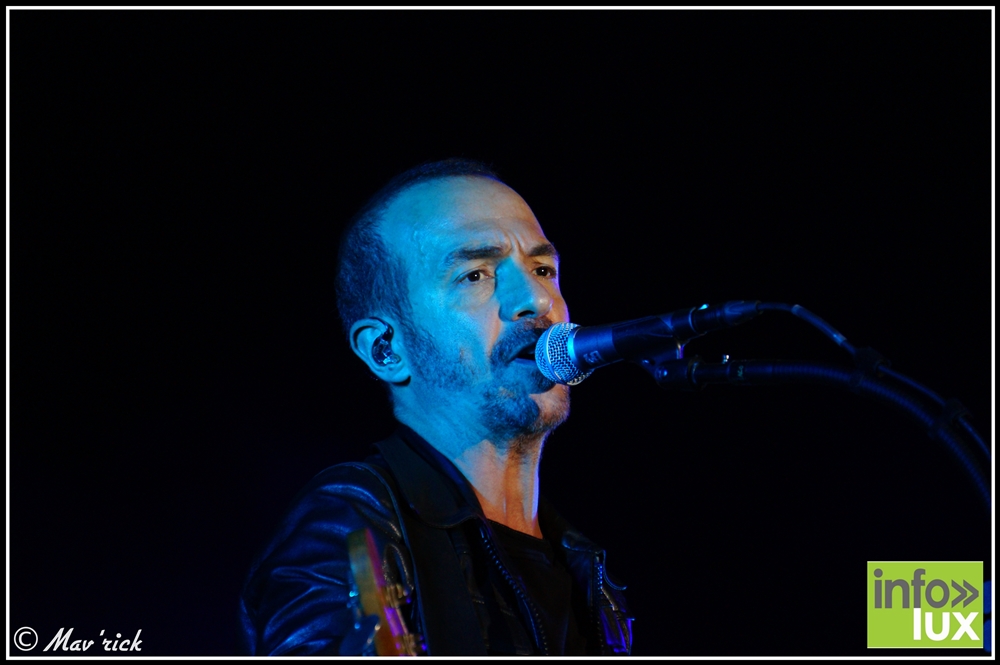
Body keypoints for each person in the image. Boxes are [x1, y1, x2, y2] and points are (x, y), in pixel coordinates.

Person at [238, 159, 633, 656]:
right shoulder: (350, 525)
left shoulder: (584, 570)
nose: (536, 300)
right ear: (387, 350)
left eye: (542, 269)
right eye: (475, 275)